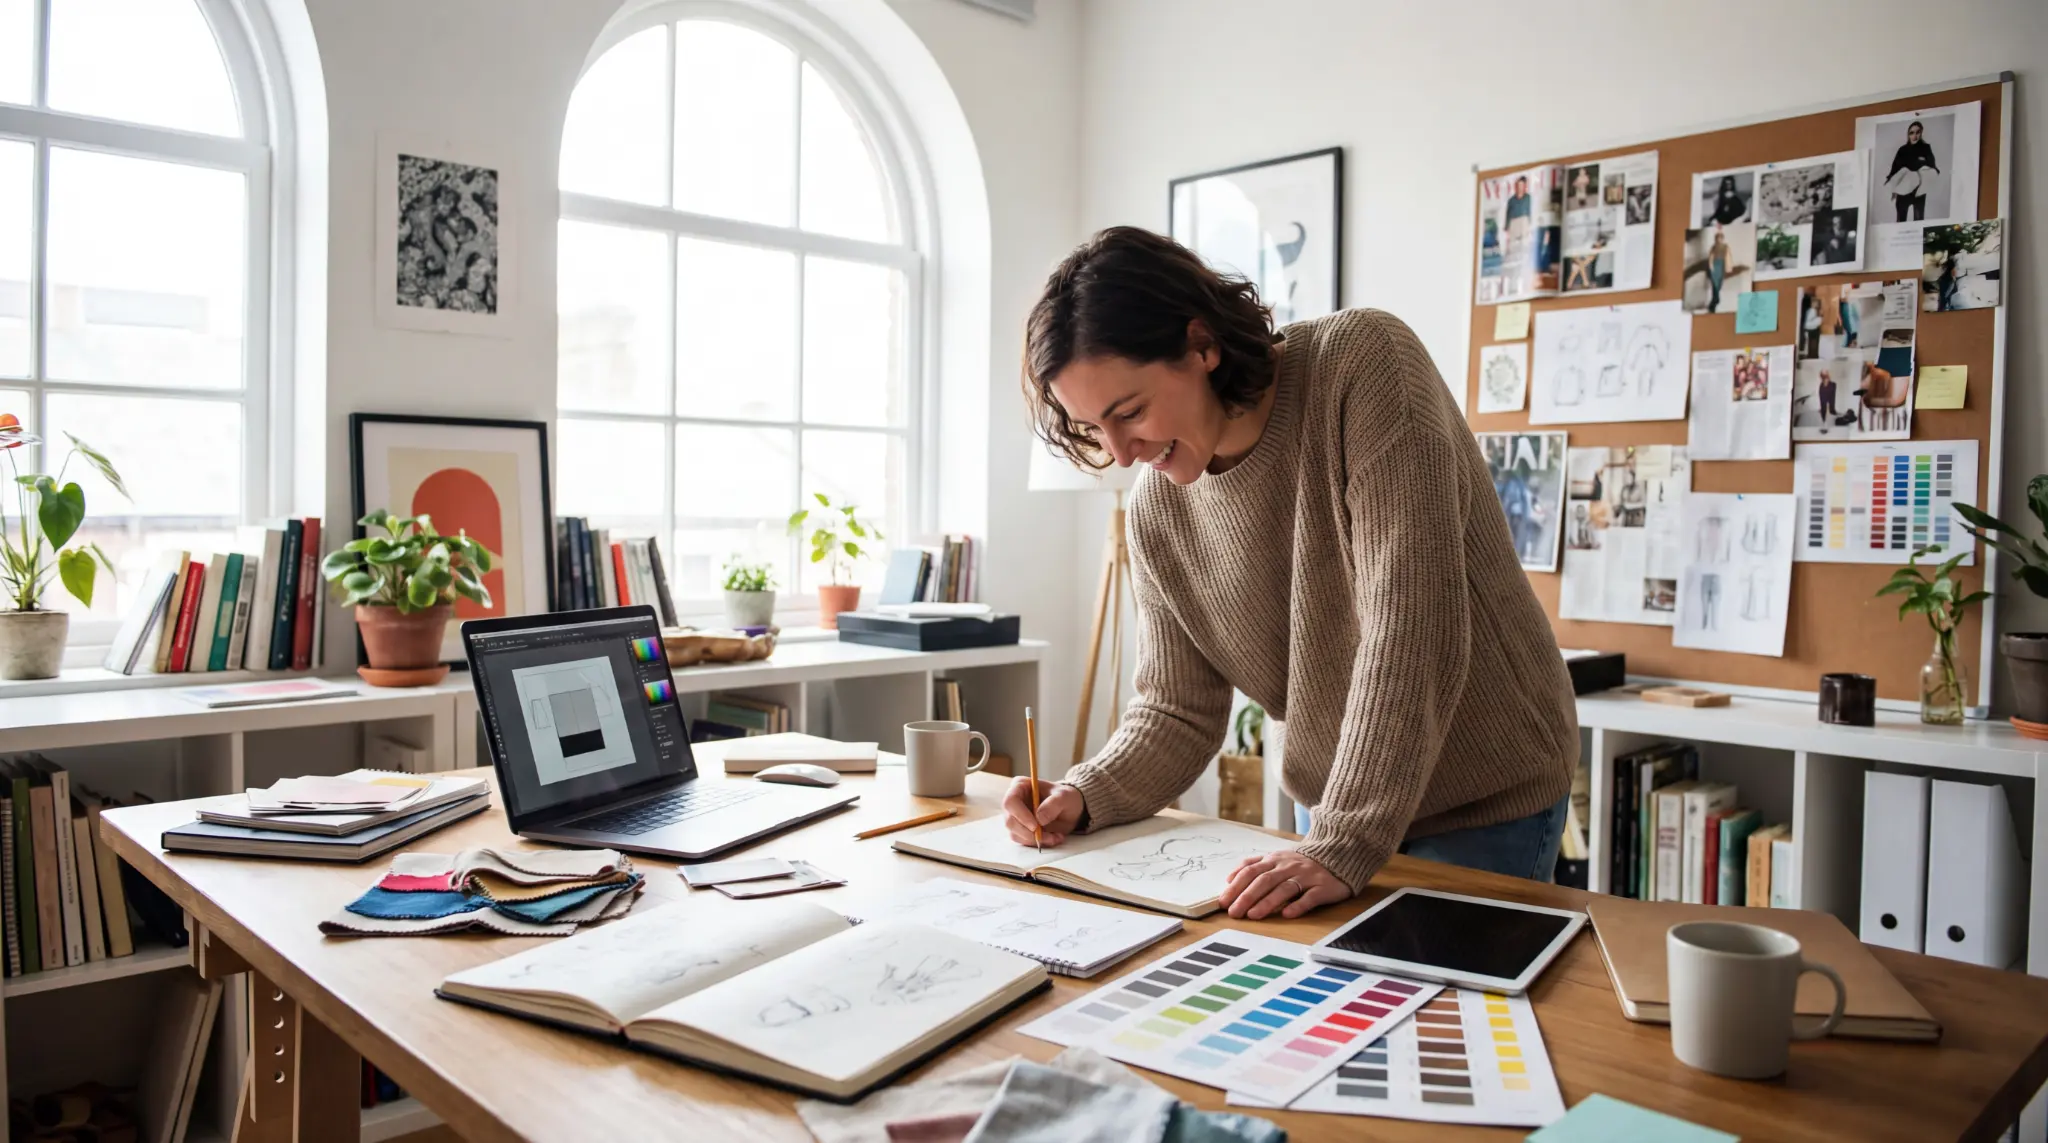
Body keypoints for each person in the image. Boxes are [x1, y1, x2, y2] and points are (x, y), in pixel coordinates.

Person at [1009, 227, 1578, 921]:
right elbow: (1177, 709)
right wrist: (1085, 793)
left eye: (1129, 412)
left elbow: (1410, 629)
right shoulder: (1159, 509)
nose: (1121, 453)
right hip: (1338, 809)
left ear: (1201, 345)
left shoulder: (1363, 364)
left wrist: (1342, 840)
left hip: (1482, 794)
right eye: (1093, 429)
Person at [1886, 120, 1940, 222]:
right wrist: (1894, 189)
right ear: (1908, 134)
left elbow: (1932, 167)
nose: (1915, 136)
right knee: (1900, 223)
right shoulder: (1902, 150)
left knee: (1919, 222)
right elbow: (1895, 170)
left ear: (1921, 133)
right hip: (1903, 191)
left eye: (1917, 132)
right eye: (1911, 133)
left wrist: (1918, 168)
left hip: (1919, 192)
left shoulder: (1926, 148)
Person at [1707, 223, 1730, 312]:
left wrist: (1728, 266)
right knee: (1715, 284)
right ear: (1716, 239)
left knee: (1719, 283)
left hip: (1722, 265)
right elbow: (1711, 257)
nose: (1720, 239)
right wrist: (1711, 266)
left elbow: (1727, 257)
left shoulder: (1725, 247)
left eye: (1721, 238)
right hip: (1715, 265)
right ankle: (1715, 301)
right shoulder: (1713, 247)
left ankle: (1715, 300)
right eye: (1718, 238)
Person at [1504, 175, 1532, 241]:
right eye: (1518, 185)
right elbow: (1508, 214)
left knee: (1524, 242)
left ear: (1524, 186)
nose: (1520, 188)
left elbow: (1530, 211)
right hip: (1514, 224)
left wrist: (1530, 225)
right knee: (1513, 243)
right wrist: (1506, 227)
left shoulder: (1528, 198)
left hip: (1525, 224)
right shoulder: (1511, 200)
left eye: (1521, 185)